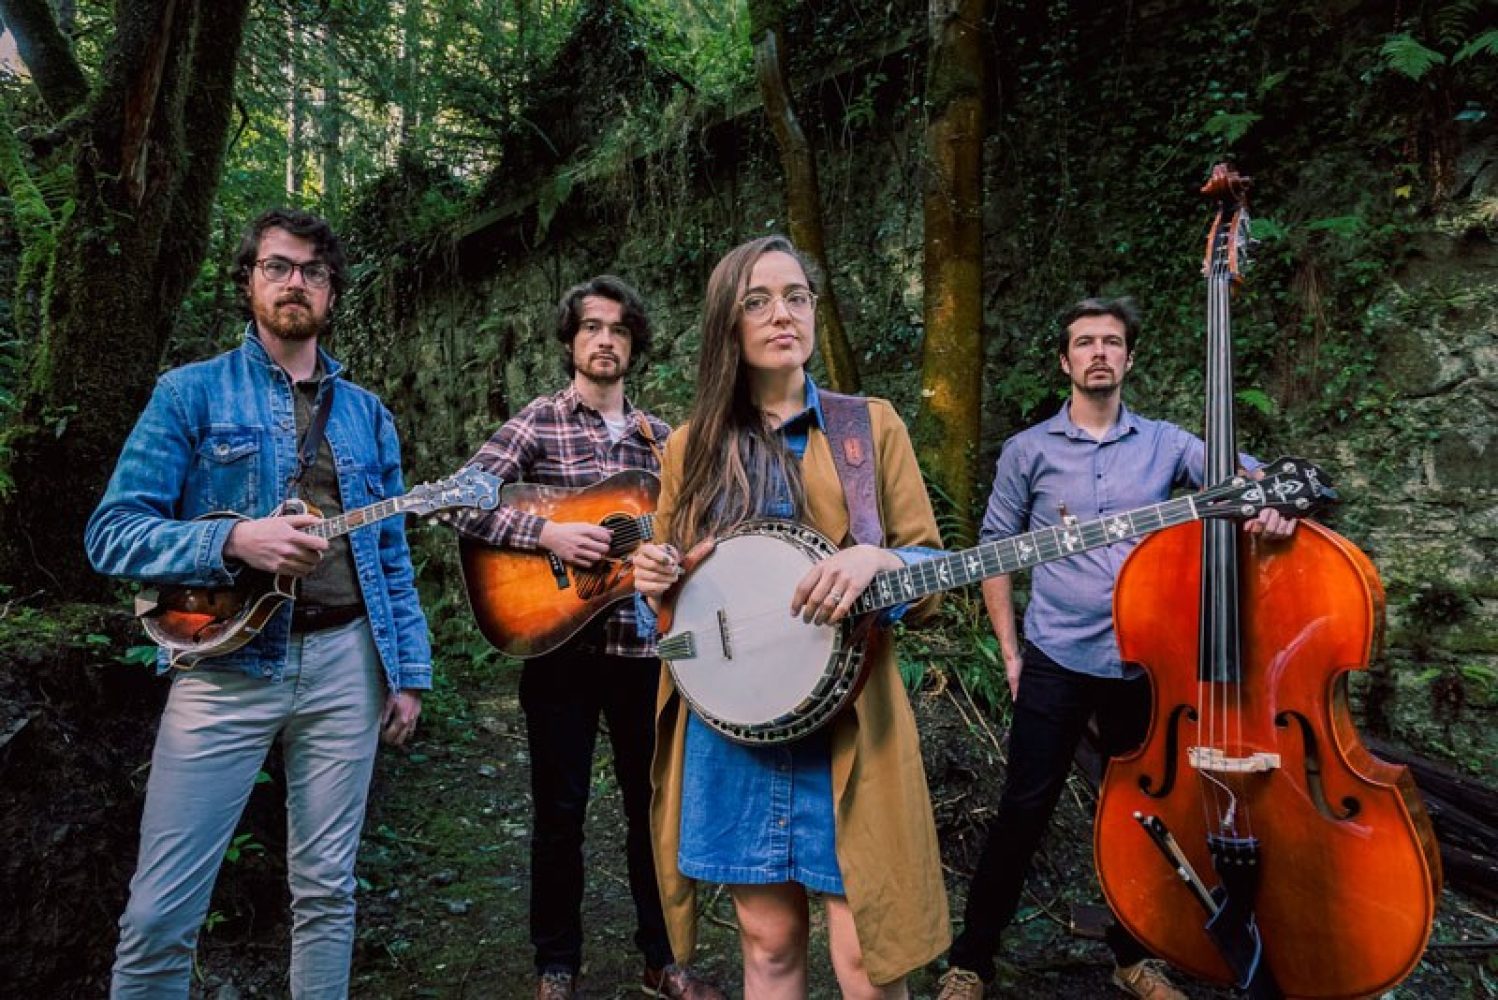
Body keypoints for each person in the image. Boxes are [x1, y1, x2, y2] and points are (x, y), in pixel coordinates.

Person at [86, 207, 431, 999]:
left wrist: (408, 674)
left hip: (349, 665)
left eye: (313, 270)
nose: (295, 282)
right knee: (160, 911)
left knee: (328, 892)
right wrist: (235, 540)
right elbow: (112, 534)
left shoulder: (368, 414)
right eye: (277, 266)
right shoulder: (189, 393)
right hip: (224, 672)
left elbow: (390, 555)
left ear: (333, 291)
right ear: (249, 281)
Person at [936, 297, 1295, 1000]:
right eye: (1084, 342)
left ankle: (1133, 959)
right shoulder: (1027, 451)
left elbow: (1249, 479)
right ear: (1065, 360)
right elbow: (995, 550)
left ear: (1129, 358)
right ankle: (971, 960)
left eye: (1110, 341)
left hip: (1144, 664)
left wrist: (1275, 502)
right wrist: (1010, 655)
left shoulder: (1168, 444)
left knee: (1144, 817)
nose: (1098, 352)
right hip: (1057, 655)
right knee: (1023, 810)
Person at [632, 235, 949, 1000]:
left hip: (851, 726)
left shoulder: (868, 428)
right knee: (768, 942)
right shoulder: (689, 448)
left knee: (866, 954)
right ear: (727, 324)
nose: (784, 313)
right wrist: (654, 581)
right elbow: (670, 616)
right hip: (733, 730)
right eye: (759, 300)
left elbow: (930, 575)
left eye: (797, 296)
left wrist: (881, 561)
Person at [444, 276, 722, 1000]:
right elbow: (458, 500)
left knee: (652, 809)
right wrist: (548, 534)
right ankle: (556, 965)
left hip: (644, 653)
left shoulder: (663, 439)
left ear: (634, 345)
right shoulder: (538, 422)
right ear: (570, 340)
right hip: (558, 649)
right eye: (592, 327)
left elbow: (691, 538)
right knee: (559, 814)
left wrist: (683, 555)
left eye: (619, 329)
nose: (605, 340)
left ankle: (663, 959)